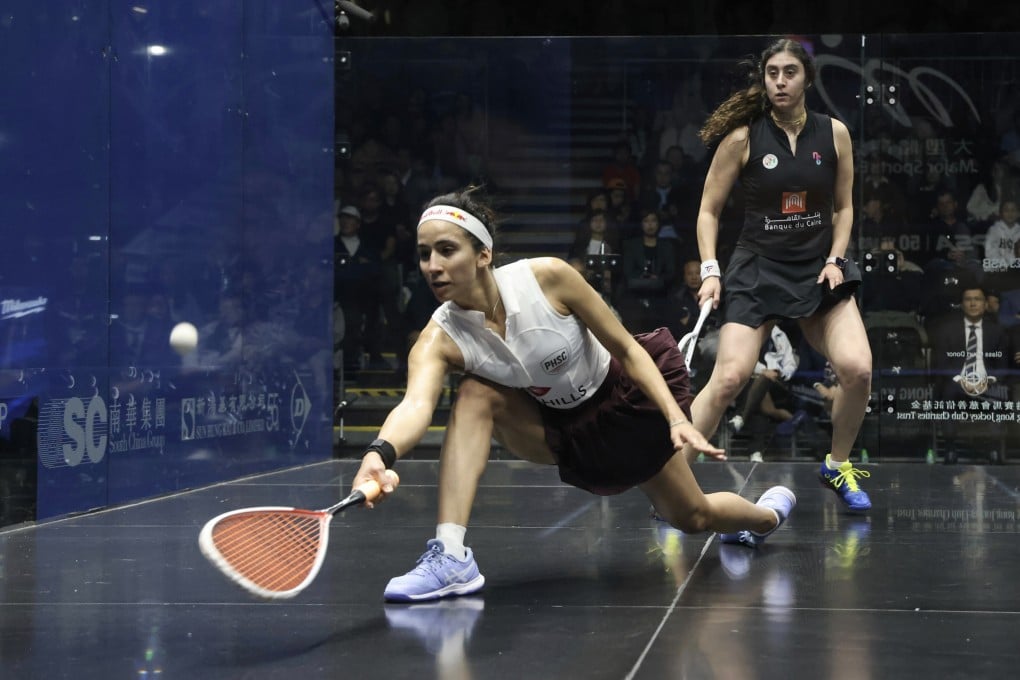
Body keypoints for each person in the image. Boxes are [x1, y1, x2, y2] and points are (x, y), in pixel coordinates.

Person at [352, 188, 796, 602]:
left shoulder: (549, 278)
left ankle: (765, 517)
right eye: (425, 254)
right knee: (472, 394)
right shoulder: (440, 337)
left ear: (483, 254)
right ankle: (451, 556)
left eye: (447, 250)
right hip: (560, 429)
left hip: (623, 405)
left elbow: (627, 347)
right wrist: (379, 453)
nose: (433, 265)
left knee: (693, 517)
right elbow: (414, 405)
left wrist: (677, 420)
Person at [686, 38, 873, 512]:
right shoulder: (743, 138)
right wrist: (711, 268)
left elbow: (846, 207)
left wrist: (835, 258)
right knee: (728, 379)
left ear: (807, 77)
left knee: (858, 369)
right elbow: (708, 211)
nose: (780, 81)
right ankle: (675, 479)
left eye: (790, 72)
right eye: (772, 73)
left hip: (817, 268)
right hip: (756, 270)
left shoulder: (835, 134)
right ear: (764, 79)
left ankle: (837, 465)